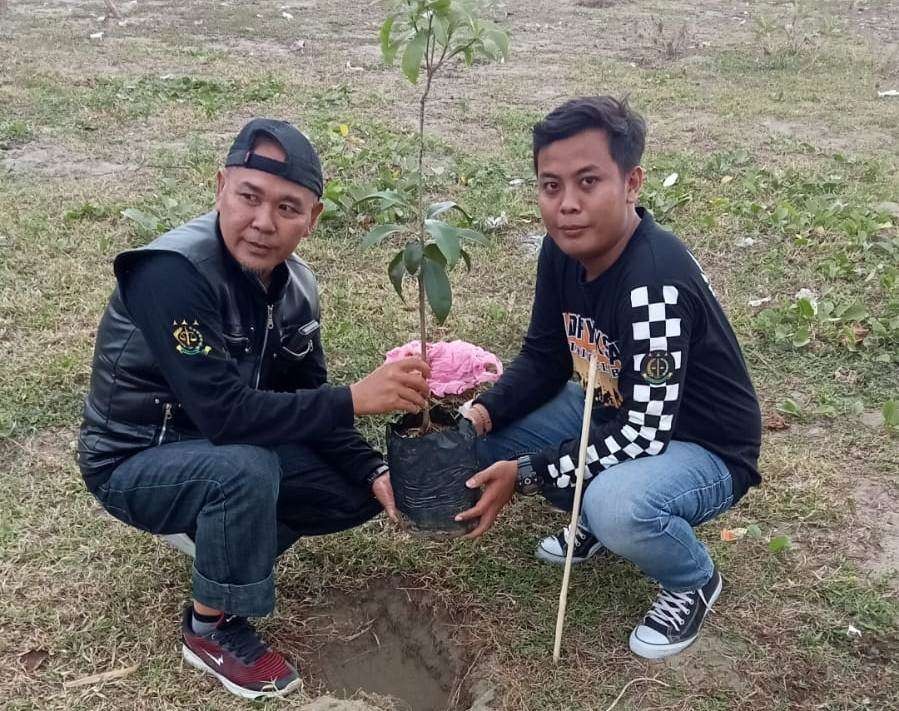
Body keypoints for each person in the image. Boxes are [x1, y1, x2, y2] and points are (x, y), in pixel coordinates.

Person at [77, 118, 431, 699]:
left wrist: (373, 471)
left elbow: (304, 401)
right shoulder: (171, 273)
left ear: (312, 220)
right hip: (136, 459)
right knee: (245, 469)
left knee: (349, 488)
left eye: (288, 207)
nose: (264, 223)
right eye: (249, 197)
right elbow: (224, 415)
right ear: (220, 187)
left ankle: (219, 541)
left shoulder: (296, 287)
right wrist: (354, 398)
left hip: (219, 448)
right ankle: (210, 628)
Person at [456, 97, 762, 659]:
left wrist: (527, 472)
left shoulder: (654, 286)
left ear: (632, 182)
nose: (567, 205)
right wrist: (476, 416)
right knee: (485, 441)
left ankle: (692, 579)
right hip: (616, 408)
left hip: (702, 445)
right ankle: (592, 511)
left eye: (588, 181)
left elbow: (646, 434)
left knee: (617, 506)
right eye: (551, 186)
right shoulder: (560, 251)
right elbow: (544, 358)